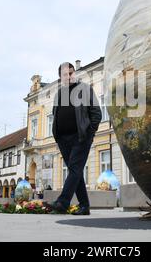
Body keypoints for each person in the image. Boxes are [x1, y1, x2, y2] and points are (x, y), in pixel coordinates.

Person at [46, 62, 102, 215]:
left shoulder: (84, 89)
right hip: (63, 139)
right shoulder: (59, 94)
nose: (69, 76)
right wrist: (56, 135)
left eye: (71, 73)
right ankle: (84, 206)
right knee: (74, 171)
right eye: (65, 74)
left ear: (74, 73)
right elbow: (55, 114)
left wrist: (90, 132)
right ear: (60, 77)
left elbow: (96, 113)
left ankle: (63, 202)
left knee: (75, 169)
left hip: (80, 137)